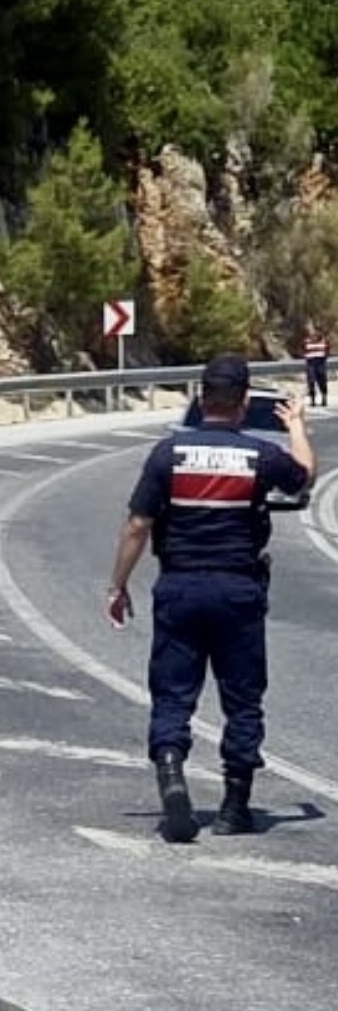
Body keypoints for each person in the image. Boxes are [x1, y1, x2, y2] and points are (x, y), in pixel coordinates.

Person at [105, 354, 315, 841]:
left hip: (179, 588)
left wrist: (117, 585)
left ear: (201, 400)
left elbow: (138, 524)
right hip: (237, 590)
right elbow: (304, 475)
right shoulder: (259, 455)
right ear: (242, 403)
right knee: (242, 698)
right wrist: (297, 426)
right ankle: (234, 807)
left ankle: (171, 770)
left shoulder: (167, 455)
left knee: (172, 693)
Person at [302, 323, 329, 407]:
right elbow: (303, 349)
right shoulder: (306, 341)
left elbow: (327, 350)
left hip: (320, 362)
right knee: (311, 381)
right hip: (311, 363)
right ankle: (312, 399)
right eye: (312, 331)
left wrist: (324, 357)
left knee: (322, 380)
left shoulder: (324, 341)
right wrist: (306, 356)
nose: (313, 333)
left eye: (315, 331)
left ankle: (324, 397)